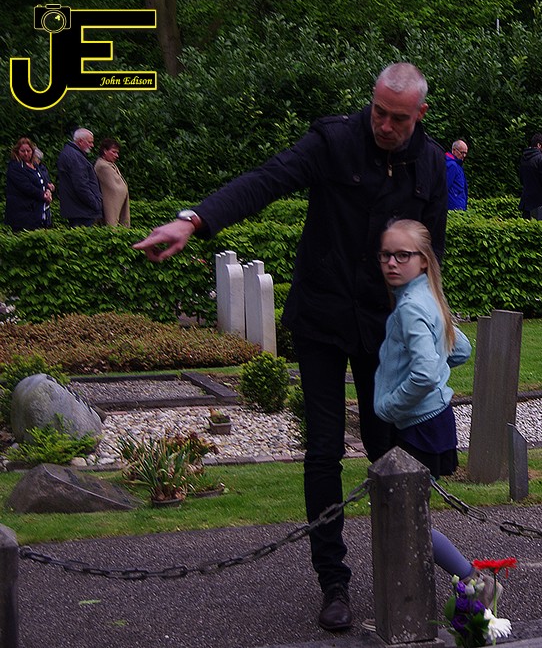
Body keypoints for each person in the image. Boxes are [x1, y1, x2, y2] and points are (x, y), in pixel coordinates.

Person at [132, 62, 447, 633]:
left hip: (385, 329)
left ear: (419, 114)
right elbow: (266, 180)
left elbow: (431, 255)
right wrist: (193, 221)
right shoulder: (334, 141)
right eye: (378, 111)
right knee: (324, 451)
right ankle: (333, 582)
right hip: (323, 318)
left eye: (398, 118)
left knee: (390, 452)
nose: (384, 125)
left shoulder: (429, 163)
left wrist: (429, 326)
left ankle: (402, 569)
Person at [371, 219, 500, 609]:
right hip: (433, 420)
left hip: (418, 427)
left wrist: (389, 406)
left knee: (409, 521)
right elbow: (459, 349)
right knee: (410, 517)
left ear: (424, 260)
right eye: (385, 255)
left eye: (403, 255)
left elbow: (426, 373)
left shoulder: (411, 307)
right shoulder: (427, 296)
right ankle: (414, 598)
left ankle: (475, 581)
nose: (391, 263)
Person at [57, 127, 103, 227]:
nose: (92, 145)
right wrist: (95, 203)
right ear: (81, 141)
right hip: (81, 210)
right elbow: (81, 185)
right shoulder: (75, 157)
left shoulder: (72, 154)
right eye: (90, 142)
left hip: (78, 208)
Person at [5, 137, 53, 232]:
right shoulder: (15, 167)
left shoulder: (36, 166)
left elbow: (43, 180)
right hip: (22, 213)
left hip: (38, 211)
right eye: (22, 151)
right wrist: (43, 195)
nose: (26, 153)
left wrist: (48, 190)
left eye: (28, 151)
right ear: (17, 151)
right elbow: (26, 187)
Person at [95, 138, 131, 227]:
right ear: (105, 151)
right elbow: (114, 188)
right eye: (114, 152)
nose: (116, 155)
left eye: (117, 153)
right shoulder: (102, 166)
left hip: (116, 205)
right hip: (109, 207)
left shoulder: (109, 164)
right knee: (112, 225)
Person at [518, 132, 542, 219]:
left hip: (526, 201)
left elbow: (521, 178)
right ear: (539, 145)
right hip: (540, 202)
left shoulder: (524, 158)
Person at [445, 139, 469, 211]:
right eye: (462, 152)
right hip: (453, 207)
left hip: (457, 206)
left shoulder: (457, 165)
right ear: (454, 150)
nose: (464, 156)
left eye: (465, 153)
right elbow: (445, 186)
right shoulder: (452, 165)